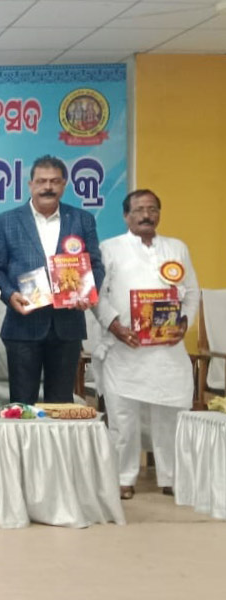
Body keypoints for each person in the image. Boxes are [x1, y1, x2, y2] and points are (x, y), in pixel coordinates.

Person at [93, 189, 199, 500]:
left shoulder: (177, 248)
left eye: (152, 209)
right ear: (126, 216)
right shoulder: (109, 248)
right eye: (139, 210)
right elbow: (97, 295)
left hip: (167, 349)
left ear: (159, 214)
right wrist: (115, 326)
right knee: (123, 418)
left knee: (170, 413)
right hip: (125, 346)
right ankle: (123, 477)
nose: (146, 215)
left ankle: (171, 476)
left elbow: (192, 292)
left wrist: (184, 323)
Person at [0, 155, 104, 404]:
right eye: (41, 181)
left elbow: (96, 265)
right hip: (22, 325)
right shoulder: (5, 221)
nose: (48, 187)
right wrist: (9, 295)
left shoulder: (82, 219)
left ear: (64, 185)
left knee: (61, 404)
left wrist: (87, 293)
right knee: (22, 405)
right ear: (30, 185)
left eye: (54, 181)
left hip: (68, 325)